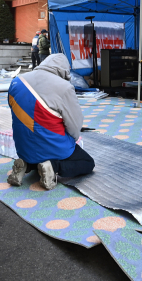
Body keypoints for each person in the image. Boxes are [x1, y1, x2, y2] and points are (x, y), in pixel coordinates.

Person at [6, 54, 95, 190]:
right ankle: (53, 167)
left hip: (23, 147)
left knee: (37, 151)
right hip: (53, 146)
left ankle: (26, 164)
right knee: (87, 163)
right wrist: (73, 140)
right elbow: (75, 123)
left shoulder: (17, 81)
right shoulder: (64, 87)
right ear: (64, 69)